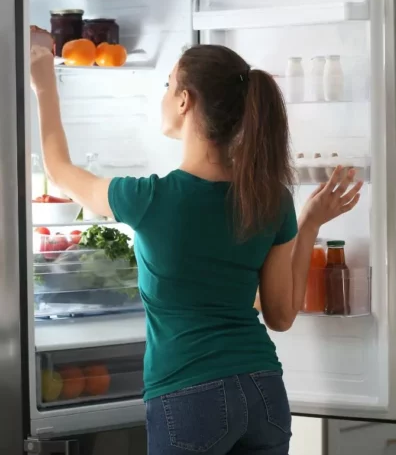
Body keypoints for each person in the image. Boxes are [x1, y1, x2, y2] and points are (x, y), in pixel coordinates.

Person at [29, 43, 363, 455]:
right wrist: (309, 222)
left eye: (169, 85)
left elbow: (59, 172)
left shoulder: (151, 197)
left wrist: (43, 81)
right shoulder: (270, 198)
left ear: (185, 100)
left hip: (190, 395)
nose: (165, 94)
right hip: (263, 390)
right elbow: (280, 316)